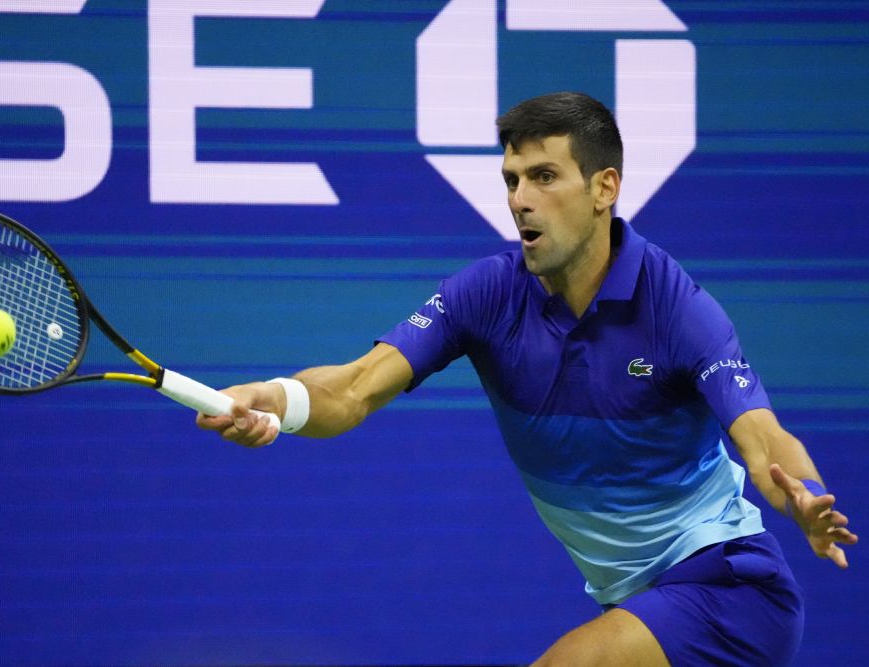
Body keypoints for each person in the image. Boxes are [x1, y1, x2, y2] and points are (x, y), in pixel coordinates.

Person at [196, 92, 858, 666]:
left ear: (604, 187)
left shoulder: (678, 309)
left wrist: (806, 496)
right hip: (640, 607)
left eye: (544, 176)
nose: (521, 201)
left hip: (728, 591)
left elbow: (763, 437)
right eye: (512, 179)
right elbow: (354, 388)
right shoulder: (486, 294)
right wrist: (276, 399)